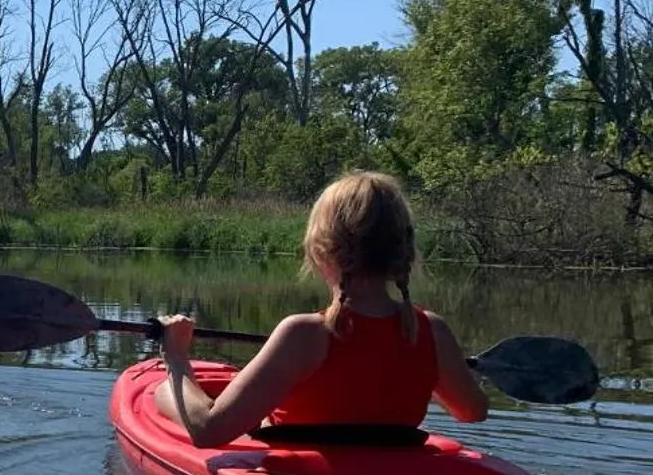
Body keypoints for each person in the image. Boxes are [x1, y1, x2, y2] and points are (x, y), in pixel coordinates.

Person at [155, 171, 489, 448]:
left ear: (320, 249)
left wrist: (176, 358)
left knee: (160, 391)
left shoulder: (304, 335)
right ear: (403, 251)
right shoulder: (432, 331)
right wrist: (423, 368)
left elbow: (208, 432)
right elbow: (473, 411)